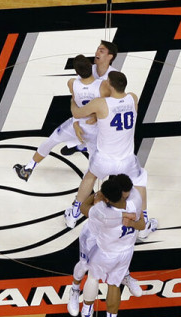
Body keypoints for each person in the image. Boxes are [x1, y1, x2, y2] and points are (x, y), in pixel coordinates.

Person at [65, 71, 158, 240]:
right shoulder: (133, 98)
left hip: (104, 159)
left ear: (109, 84)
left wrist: (73, 100)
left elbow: (78, 113)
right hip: (127, 159)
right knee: (140, 182)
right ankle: (143, 225)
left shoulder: (100, 104)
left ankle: (74, 212)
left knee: (89, 177)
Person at [12, 54, 106, 181]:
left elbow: (75, 101)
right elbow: (107, 105)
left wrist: (76, 118)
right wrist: (95, 115)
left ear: (76, 72)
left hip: (77, 124)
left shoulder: (72, 83)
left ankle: (28, 168)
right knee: (93, 163)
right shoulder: (103, 86)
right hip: (95, 127)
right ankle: (86, 193)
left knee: (51, 141)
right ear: (91, 67)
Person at [75, 178, 145, 317]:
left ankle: (86, 312)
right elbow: (142, 225)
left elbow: (84, 208)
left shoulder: (102, 211)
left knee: (93, 277)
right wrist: (131, 222)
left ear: (106, 198)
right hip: (125, 252)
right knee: (114, 284)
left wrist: (95, 196)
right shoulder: (135, 200)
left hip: (105, 252)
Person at [61, 40, 119, 156]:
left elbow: (116, 102)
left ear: (110, 56)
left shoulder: (114, 76)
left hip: (104, 113)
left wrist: (97, 116)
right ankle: (81, 145)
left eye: (101, 51)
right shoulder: (88, 69)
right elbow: (76, 93)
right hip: (86, 110)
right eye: (97, 49)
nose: (97, 52)